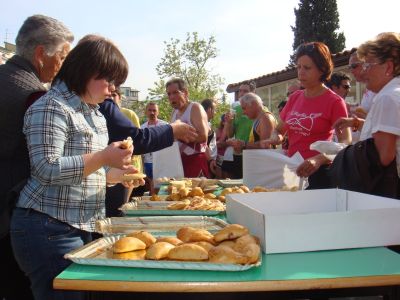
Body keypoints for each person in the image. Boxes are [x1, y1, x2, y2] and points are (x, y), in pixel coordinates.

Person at [10, 35, 145, 300]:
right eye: (110, 80)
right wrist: (104, 158)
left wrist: (116, 176)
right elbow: (46, 168)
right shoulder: (51, 107)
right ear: (88, 72)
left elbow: (87, 173)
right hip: (47, 227)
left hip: (80, 226)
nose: (112, 89)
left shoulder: (94, 113)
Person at [0, 15, 73, 300]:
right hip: (11, 213)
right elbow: (47, 163)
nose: (64, 67)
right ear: (42, 54)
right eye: (63, 57)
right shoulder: (33, 94)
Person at [261, 42, 351, 188]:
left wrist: (318, 159)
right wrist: (275, 137)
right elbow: (279, 130)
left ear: (322, 70)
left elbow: (345, 142)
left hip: (320, 174)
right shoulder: (295, 97)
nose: (301, 72)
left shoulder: (334, 101)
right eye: (299, 67)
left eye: (307, 68)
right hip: (292, 169)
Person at [332, 32, 400, 197]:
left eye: (368, 65)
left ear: (388, 67)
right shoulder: (392, 94)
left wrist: (346, 157)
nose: (364, 73)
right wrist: (356, 123)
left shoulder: (387, 98)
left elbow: (383, 157)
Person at [167, 78, 210, 177]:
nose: (172, 97)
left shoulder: (195, 108)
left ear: (185, 93)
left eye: (175, 93)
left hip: (195, 160)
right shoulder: (174, 112)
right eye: (169, 94)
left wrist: (179, 135)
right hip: (179, 162)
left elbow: (203, 136)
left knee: (196, 192)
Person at [221, 82, 255, 179]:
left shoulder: (259, 109)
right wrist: (229, 123)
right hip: (238, 153)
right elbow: (230, 134)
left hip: (252, 151)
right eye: (240, 91)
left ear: (253, 93)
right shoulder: (235, 109)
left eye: (245, 91)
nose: (241, 93)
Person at [140, 102, 169, 179]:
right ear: (146, 112)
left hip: (161, 162)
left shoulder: (165, 125)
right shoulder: (142, 128)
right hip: (147, 162)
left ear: (158, 112)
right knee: (150, 184)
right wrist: (142, 165)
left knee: (161, 184)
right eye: (149, 110)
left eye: (154, 110)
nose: (152, 112)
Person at [348, 50, 376, 119]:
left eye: (354, 66)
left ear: (365, 64)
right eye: (349, 67)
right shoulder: (369, 86)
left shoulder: (378, 87)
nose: (351, 71)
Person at [201, 98, 218, 177]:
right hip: (207, 161)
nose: (215, 112)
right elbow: (203, 144)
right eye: (215, 110)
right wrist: (210, 160)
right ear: (209, 109)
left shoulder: (207, 123)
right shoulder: (203, 124)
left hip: (210, 160)